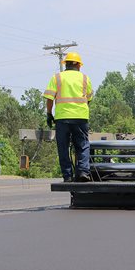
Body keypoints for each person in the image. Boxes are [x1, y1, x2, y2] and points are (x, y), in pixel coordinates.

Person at [43, 52, 93, 182]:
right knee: (83, 145)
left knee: (63, 147)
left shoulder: (57, 77)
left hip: (62, 118)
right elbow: (89, 99)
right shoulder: (84, 78)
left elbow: (49, 98)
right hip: (80, 118)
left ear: (66, 64)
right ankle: (82, 172)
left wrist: (49, 114)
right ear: (77, 64)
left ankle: (67, 176)